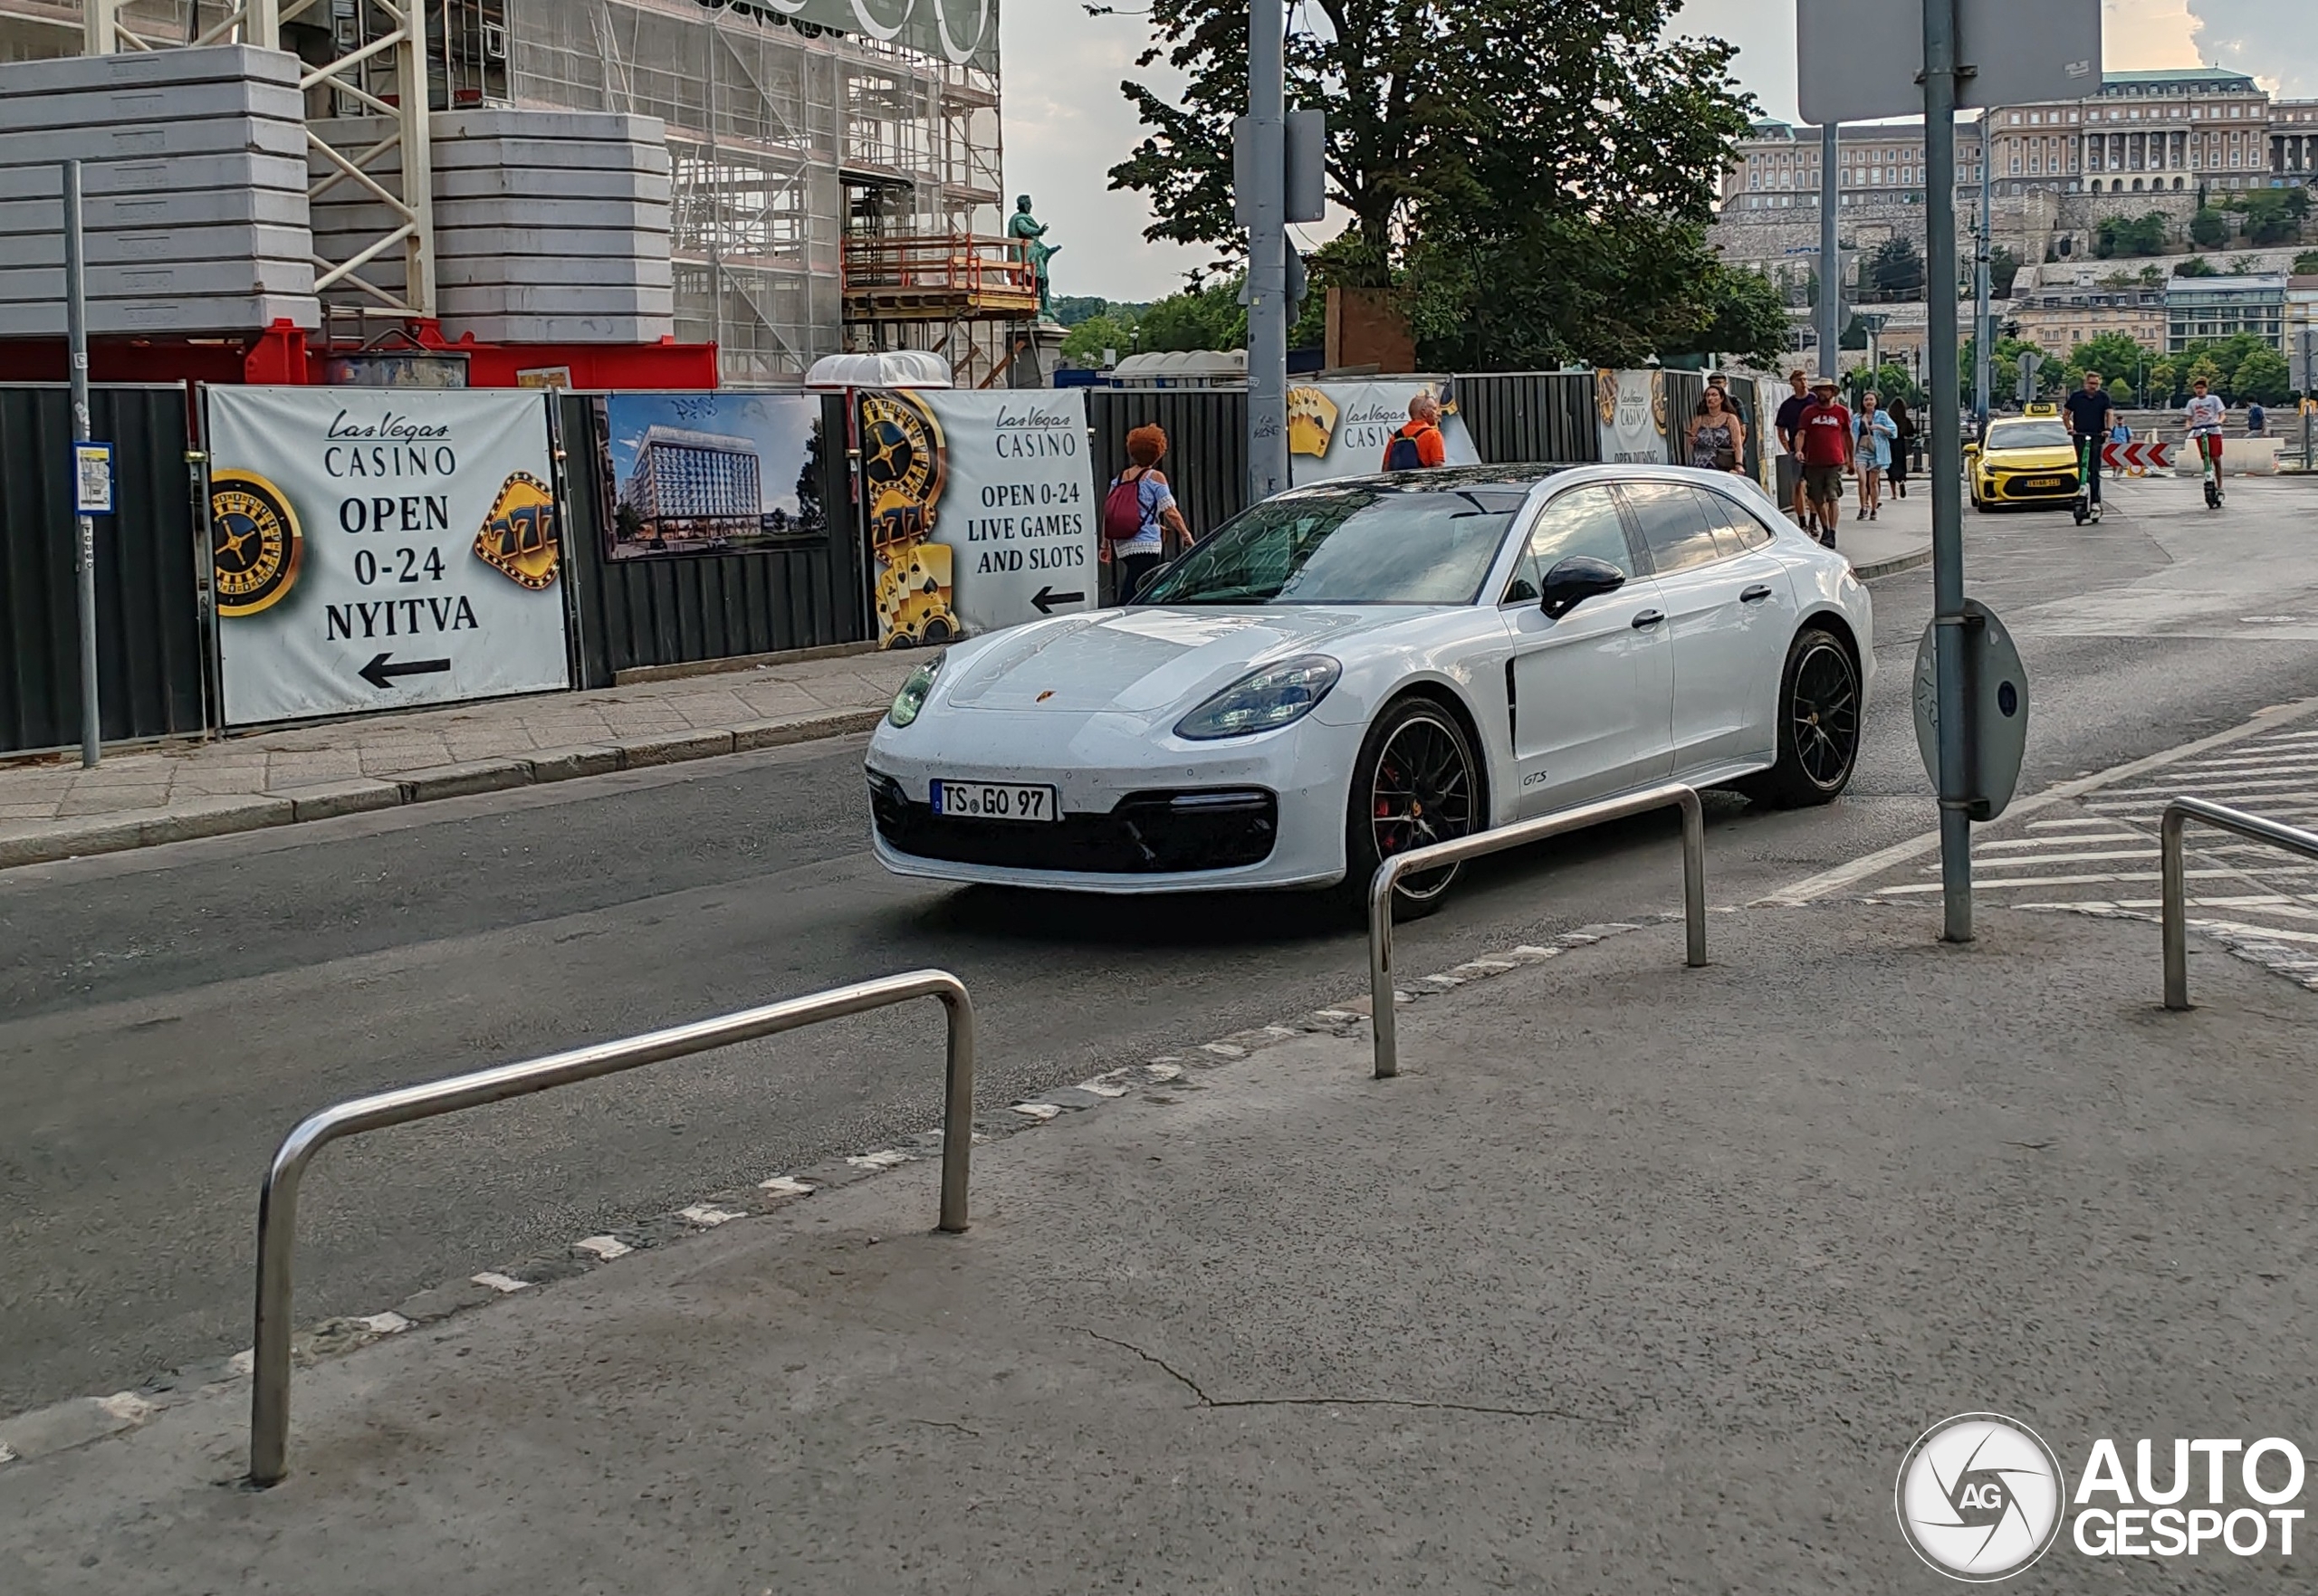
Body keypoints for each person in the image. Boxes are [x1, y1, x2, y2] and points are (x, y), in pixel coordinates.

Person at [1101, 424, 1192, 604]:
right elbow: (1170, 511)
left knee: (1138, 580)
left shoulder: (1118, 480)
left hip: (1122, 543)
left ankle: (1129, 611)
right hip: (1146, 541)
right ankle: (1123, 612)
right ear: (1158, 451)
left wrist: (1105, 545)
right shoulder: (1154, 477)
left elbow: (1109, 513)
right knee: (1140, 586)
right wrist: (1186, 534)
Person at [1795, 375, 1853, 548]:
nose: (1823, 393)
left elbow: (1847, 435)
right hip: (1813, 461)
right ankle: (1825, 529)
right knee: (1817, 498)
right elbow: (1801, 433)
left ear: (1832, 392)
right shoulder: (1809, 413)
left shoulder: (1841, 412)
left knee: (1833, 496)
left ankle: (1833, 531)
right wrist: (1798, 450)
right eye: (1820, 390)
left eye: (1826, 390)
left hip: (1834, 461)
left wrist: (1851, 460)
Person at [2063, 369, 2116, 515]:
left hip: (2097, 435)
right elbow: (2066, 414)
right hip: (2080, 435)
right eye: (2091, 383)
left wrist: (2108, 429)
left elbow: (2109, 413)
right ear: (2085, 383)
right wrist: (2069, 428)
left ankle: (2095, 502)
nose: (2094, 387)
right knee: (2082, 467)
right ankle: (2081, 493)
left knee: (2094, 470)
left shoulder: (2103, 397)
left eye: (2096, 384)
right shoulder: (2076, 397)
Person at [1774, 368, 1815, 533]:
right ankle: (1802, 521)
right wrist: (1787, 446)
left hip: (1814, 449)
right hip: (1796, 449)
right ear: (1793, 383)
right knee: (1797, 485)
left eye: (1805, 379)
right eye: (1800, 380)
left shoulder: (1814, 401)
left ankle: (1813, 520)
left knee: (1814, 486)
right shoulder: (1788, 405)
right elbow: (1780, 429)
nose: (1804, 383)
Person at [1852, 390, 1896, 521]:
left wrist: (1879, 427)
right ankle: (1863, 506)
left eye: (1871, 399)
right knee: (1861, 480)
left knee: (1873, 482)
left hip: (1877, 452)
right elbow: (1851, 434)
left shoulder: (1882, 415)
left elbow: (1893, 431)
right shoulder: (1857, 417)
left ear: (1876, 402)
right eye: (1866, 400)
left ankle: (1874, 509)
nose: (1869, 402)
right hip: (1861, 451)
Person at [1685, 386, 1748, 475]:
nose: (1710, 398)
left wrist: (1739, 464)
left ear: (1721, 398)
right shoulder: (1699, 419)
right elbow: (1691, 442)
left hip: (1723, 466)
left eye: (1714, 395)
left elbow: (1737, 444)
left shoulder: (1730, 418)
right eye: (1708, 395)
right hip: (1702, 466)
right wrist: (1692, 439)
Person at [1382, 391, 1448, 470]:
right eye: (1434, 408)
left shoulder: (1395, 437)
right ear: (1424, 412)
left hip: (1401, 482)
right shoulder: (1433, 435)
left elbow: (1386, 469)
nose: (1438, 413)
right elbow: (1438, 466)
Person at [2185, 376, 2226, 487]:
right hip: (2199, 431)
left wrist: (2220, 421)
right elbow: (2189, 419)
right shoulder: (2191, 403)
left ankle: (2219, 485)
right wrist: (2188, 426)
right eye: (2197, 388)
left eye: (2201, 388)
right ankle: (2209, 479)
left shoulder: (2214, 399)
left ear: (2206, 388)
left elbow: (2222, 414)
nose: (2199, 390)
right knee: (2205, 458)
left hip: (2213, 430)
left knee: (2216, 458)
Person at [1885, 396, 1915, 499]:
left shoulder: (1888, 420)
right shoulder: (1905, 420)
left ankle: (1894, 494)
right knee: (1900, 465)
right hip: (1900, 444)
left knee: (1890, 467)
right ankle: (1901, 481)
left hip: (1889, 444)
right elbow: (1911, 432)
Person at [2109, 414, 2131, 481]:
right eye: (2118, 419)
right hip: (2114, 446)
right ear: (2116, 420)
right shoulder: (2113, 428)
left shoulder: (2127, 428)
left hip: (2123, 446)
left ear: (2123, 420)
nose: (2119, 421)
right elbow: (2110, 437)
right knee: (2114, 462)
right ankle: (2114, 473)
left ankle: (2119, 474)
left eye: (2121, 419)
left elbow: (2130, 437)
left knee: (2121, 462)